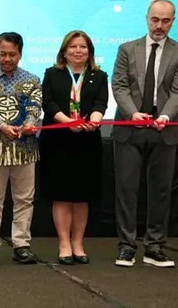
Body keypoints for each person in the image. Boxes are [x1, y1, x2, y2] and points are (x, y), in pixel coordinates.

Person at [111, 0, 178, 268]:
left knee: (161, 190)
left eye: (165, 21)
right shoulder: (127, 49)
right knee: (126, 189)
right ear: (147, 18)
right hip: (129, 127)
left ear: (173, 21)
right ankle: (126, 246)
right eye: (155, 19)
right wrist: (132, 113)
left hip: (164, 128)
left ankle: (155, 246)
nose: (159, 26)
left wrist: (166, 116)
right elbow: (119, 85)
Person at [39, 30, 108, 265]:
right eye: (73, 46)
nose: (78, 51)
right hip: (58, 141)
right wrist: (68, 122)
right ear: (64, 51)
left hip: (87, 142)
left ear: (90, 51)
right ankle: (64, 244)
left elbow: (100, 102)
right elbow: (48, 103)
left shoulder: (99, 76)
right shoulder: (52, 74)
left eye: (83, 47)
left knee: (81, 196)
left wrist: (95, 120)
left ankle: (78, 244)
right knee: (61, 195)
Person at [0, 32, 42, 265]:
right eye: (2, 54)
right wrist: (2, 126)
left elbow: (35, 108)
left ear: (20, 54)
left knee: (24, 199)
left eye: (12, 54)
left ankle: (21, 244)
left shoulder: (32, 80)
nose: (6, 59)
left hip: (25, 149)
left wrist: (28, 125)